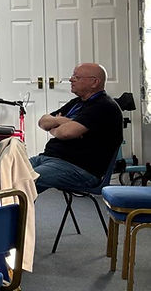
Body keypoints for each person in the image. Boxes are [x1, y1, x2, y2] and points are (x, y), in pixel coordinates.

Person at [31, 62, 123, 193]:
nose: (71, 79)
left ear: (94, 82)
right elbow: (43, 122)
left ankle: (13, 212)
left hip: (78, 168)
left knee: (22, 181)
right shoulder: (77, 103)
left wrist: (56, 126)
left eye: (77, 77)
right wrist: (62, 120)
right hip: (49, 158)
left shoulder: (104, 106)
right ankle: (16, 212)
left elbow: (66, 133)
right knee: (5, 174)